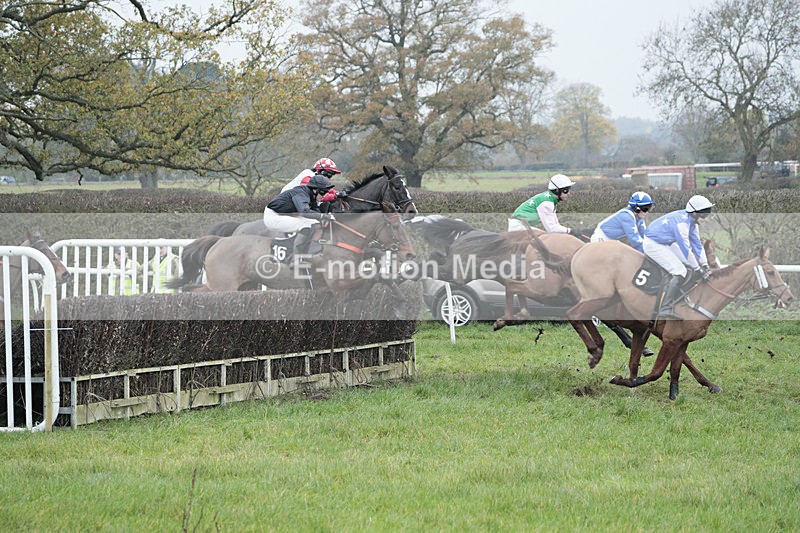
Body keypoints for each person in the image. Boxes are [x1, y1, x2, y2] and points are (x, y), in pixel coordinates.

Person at [643, 195, 714, 320]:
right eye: (704, 214)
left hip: (666, 242)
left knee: (689, 266)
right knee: (680, 271)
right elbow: (686, 250)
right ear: (694, 213)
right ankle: (665, 308)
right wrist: (698, 270)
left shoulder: (693, 223)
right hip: (653, 243)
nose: (706, 218)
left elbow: (697, 245)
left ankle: (681, 297)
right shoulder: (682, 224)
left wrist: (705, 266)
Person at [263, 173, 336, 258]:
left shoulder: (310, 195)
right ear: (315, 190)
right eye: (323, 192)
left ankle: (309, 248)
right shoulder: (301, 193)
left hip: (283, 214)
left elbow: (316, 211)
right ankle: (295, 258)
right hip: (273, 217)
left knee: (313, 222)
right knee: (306, 225)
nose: (324, 196)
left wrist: (325, 217)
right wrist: (323, 216)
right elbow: (304, 212)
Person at [508, 174, 586, 237]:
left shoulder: (551, 200)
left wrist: (568, 232)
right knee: (545, 239)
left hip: (522, 226)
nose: (568, 193)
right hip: (518, 227)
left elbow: (556, 225)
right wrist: (570, 231)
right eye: (566, 191)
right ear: (557, 190)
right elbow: (551, 229)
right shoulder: (546, 203)